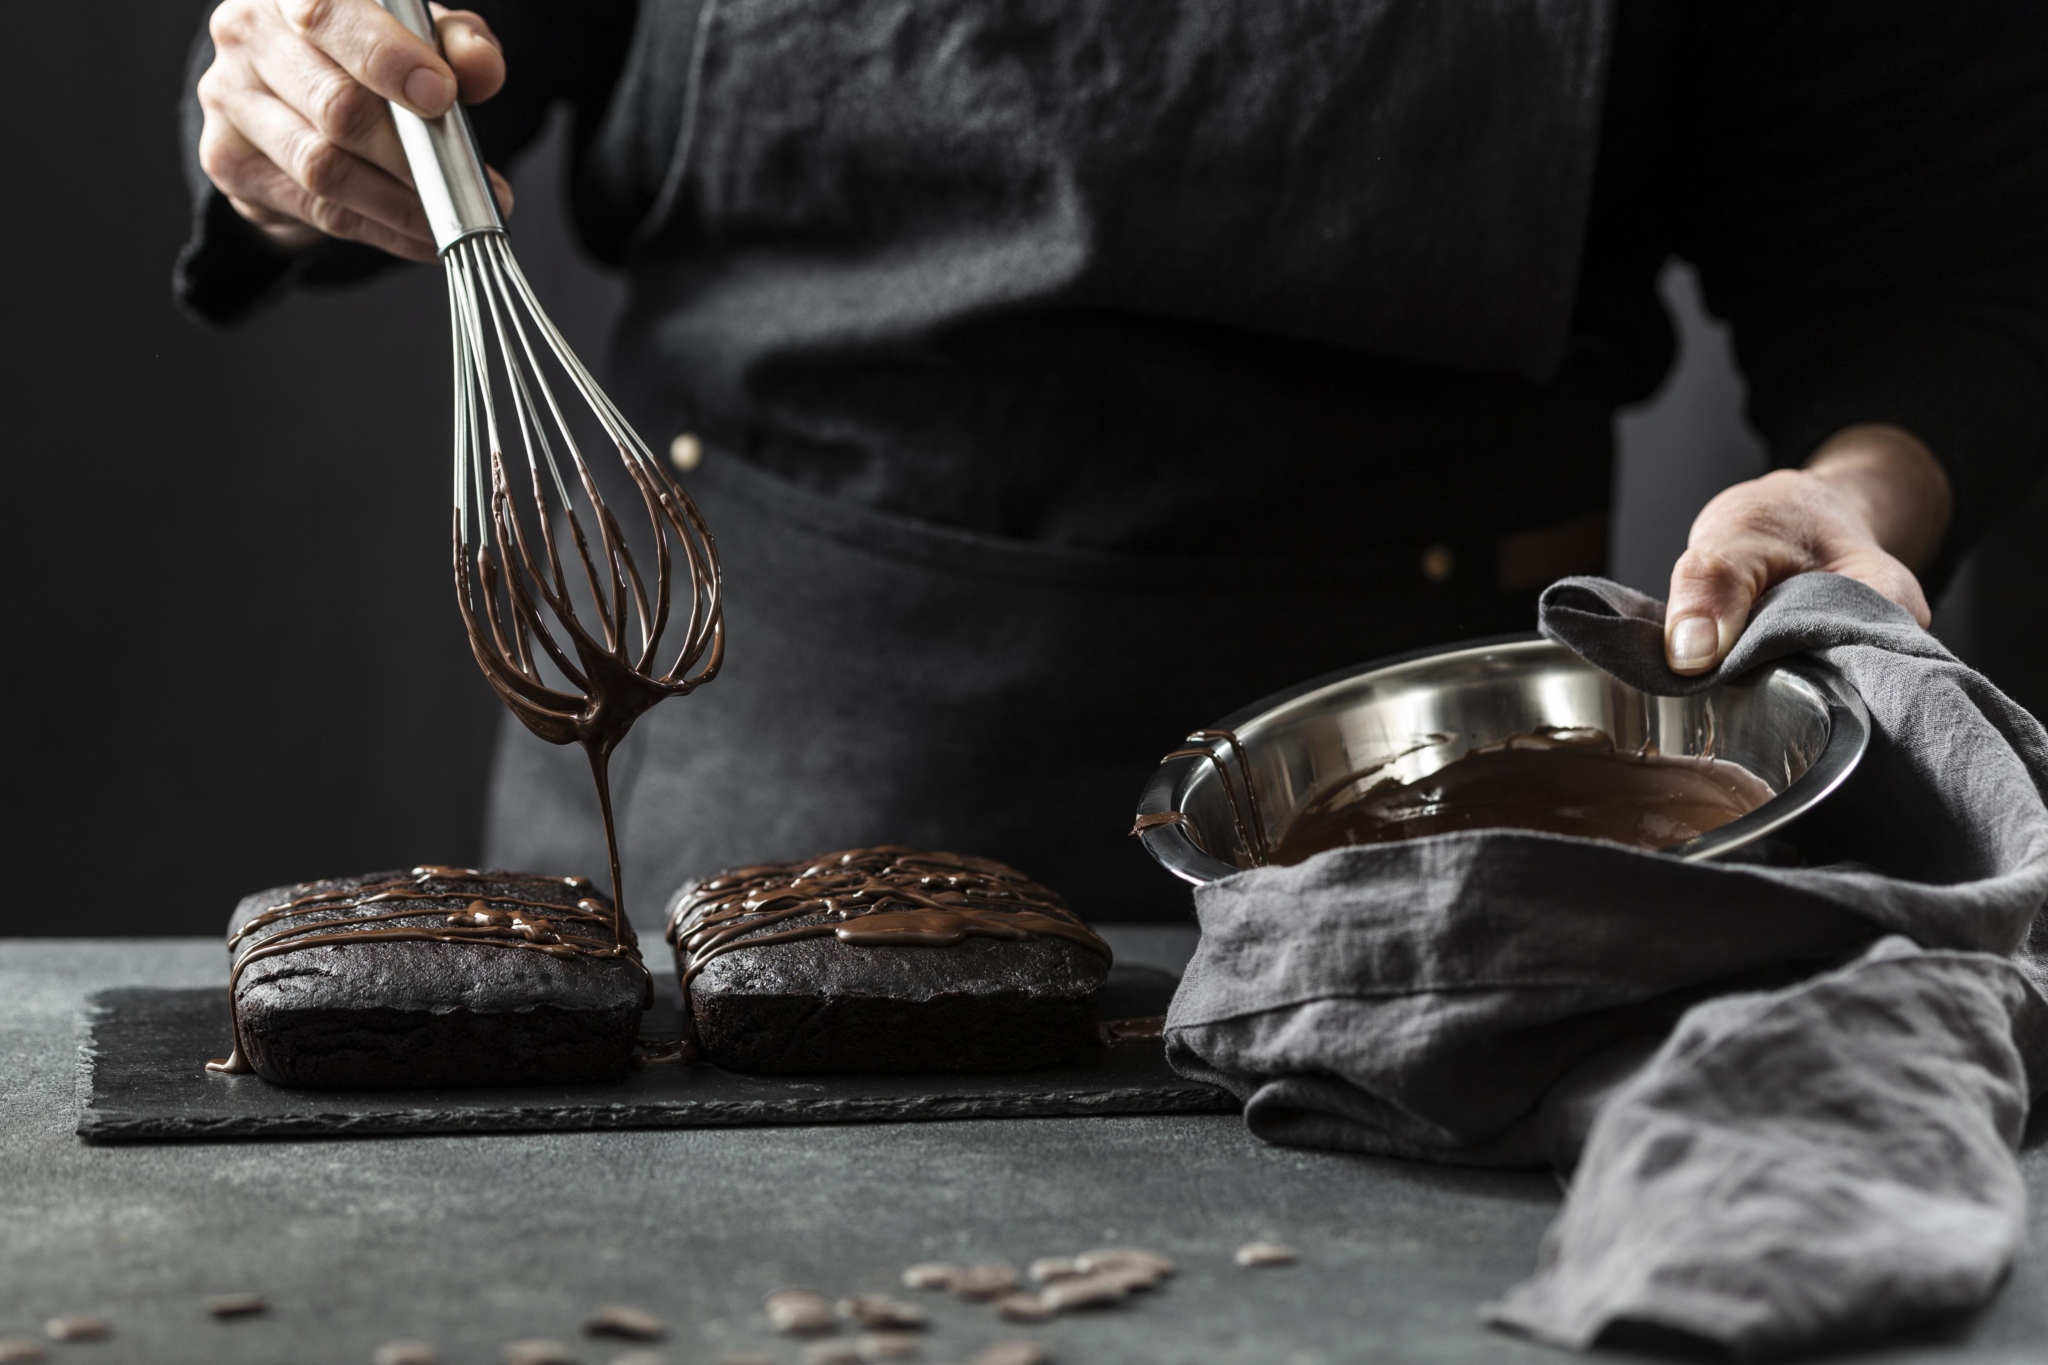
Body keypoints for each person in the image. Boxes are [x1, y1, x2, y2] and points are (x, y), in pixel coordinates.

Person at [178, 0, 2048, 924]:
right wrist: (315, 97)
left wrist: (1864, 493)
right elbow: (418, 45)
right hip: (736, 794)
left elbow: (1943, 252)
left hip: (1423, 852)